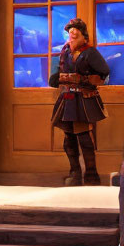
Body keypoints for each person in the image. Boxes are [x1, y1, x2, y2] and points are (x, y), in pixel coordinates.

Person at [49, 18, 110, 185]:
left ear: (83, 35)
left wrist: (80, 79)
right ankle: (75, 174)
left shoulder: (90, 53)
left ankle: (91, 175)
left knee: (84, 137)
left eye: (76, 30)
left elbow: (104, 73)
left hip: (83, 99)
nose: (72, 33)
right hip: (67, 98)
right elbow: (56, 76)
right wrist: (57, 77)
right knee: (68, 137)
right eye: (70, 31)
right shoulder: (64, 52)